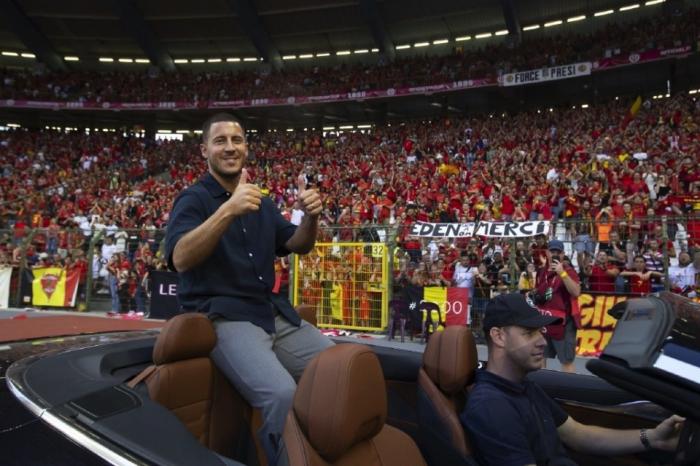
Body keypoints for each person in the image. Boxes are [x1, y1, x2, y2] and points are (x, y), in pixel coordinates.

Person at [164, 113, 334, 466]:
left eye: (237, 140)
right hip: (224, 318)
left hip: (270, 312)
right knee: (281, 394)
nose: (230, 147)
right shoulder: (192, 199)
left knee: (335, 370)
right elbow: (179, 258)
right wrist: (228, 209)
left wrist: (311, 217)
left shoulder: (262, 201)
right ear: (204, 150)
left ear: (246, 147)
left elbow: (298, 244)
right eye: (220, 141)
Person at [460, 293, 685, 466]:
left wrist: (653, 438)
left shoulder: (523, 388)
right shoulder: (491, 406)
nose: (542, 341)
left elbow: (579, 435)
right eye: (529, 332)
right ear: (499, 336)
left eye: (540, 332)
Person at [531, 240, 581, 373]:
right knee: (540, 357)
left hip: (563, 324)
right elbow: (538, 291)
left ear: (563, 254)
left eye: (558, 252)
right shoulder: (541, 272)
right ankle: (541, 384)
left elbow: (576, 292)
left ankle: (569, 387)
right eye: (552, 251)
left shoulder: (569, 271)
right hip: (544, 321)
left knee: (566, 361)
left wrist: (562, 273)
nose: (554, 255)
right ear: (547, 253)